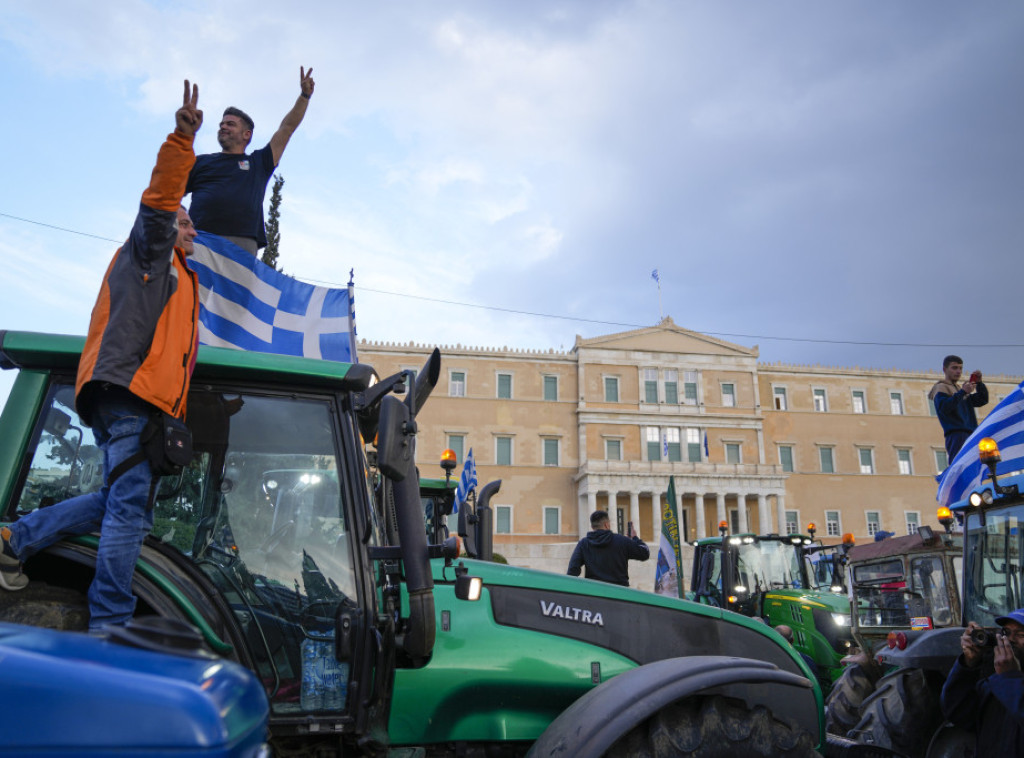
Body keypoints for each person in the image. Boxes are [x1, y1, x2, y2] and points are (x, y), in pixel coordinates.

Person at [0, 81, 203, 632]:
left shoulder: (182, 279)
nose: (190, 229)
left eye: (190, 226)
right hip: (131, 397)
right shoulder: (152, 253)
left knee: (115, 502)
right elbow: (160, 203)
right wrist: (182, 140)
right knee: (129, 513)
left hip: (135, 401)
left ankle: (16, 537)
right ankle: (111, 623)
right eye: (186, 223)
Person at [186, 66, 315, 254]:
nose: (223, 127)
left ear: (247, 134)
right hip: (200, 239)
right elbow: (170, 194)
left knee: (237, 286)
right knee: (192, 284)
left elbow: (287, 129)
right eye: (221, 124)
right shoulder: (201, 162)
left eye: (230, 124)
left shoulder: (258, 163)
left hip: (241, 243)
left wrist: (304, 96)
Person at [940, 611, 1024, 754]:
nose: (1010, 640)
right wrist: (968, 665)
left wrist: (1009, 678)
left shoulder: (1006, 681)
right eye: (1006, 632)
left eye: (1021, 635)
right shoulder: (995, 683)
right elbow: (958, 713)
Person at [567, 510, 649, 587]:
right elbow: (645, 553)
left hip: (594, 593)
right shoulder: (622, 541)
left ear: (592, 526)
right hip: (620, 593)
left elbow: (572, 570)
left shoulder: (584, 543)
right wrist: (634, 537)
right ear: (607, 524)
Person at [929, 355, 988, 460]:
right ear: (945, 369)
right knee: (959, 468)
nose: (958, 371)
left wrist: (979, 383)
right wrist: (962, 392)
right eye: (954, 368)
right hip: (957, 435)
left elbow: (982, 400)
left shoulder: (959, 389)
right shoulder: (941, 387)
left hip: (970, 434)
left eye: (960, 368)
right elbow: (944, 408)